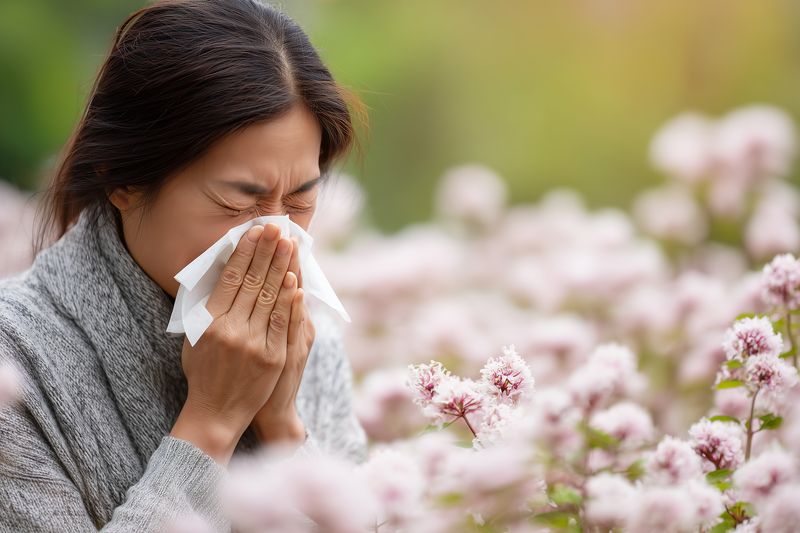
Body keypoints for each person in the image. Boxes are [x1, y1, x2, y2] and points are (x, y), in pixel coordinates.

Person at [0, 0, 369, 531]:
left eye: (301, 200)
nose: (274, 234)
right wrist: (212, 422)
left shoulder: (315, 345)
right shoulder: (16, 367)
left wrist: (285, 427)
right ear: (121, 179)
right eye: (237, 202)